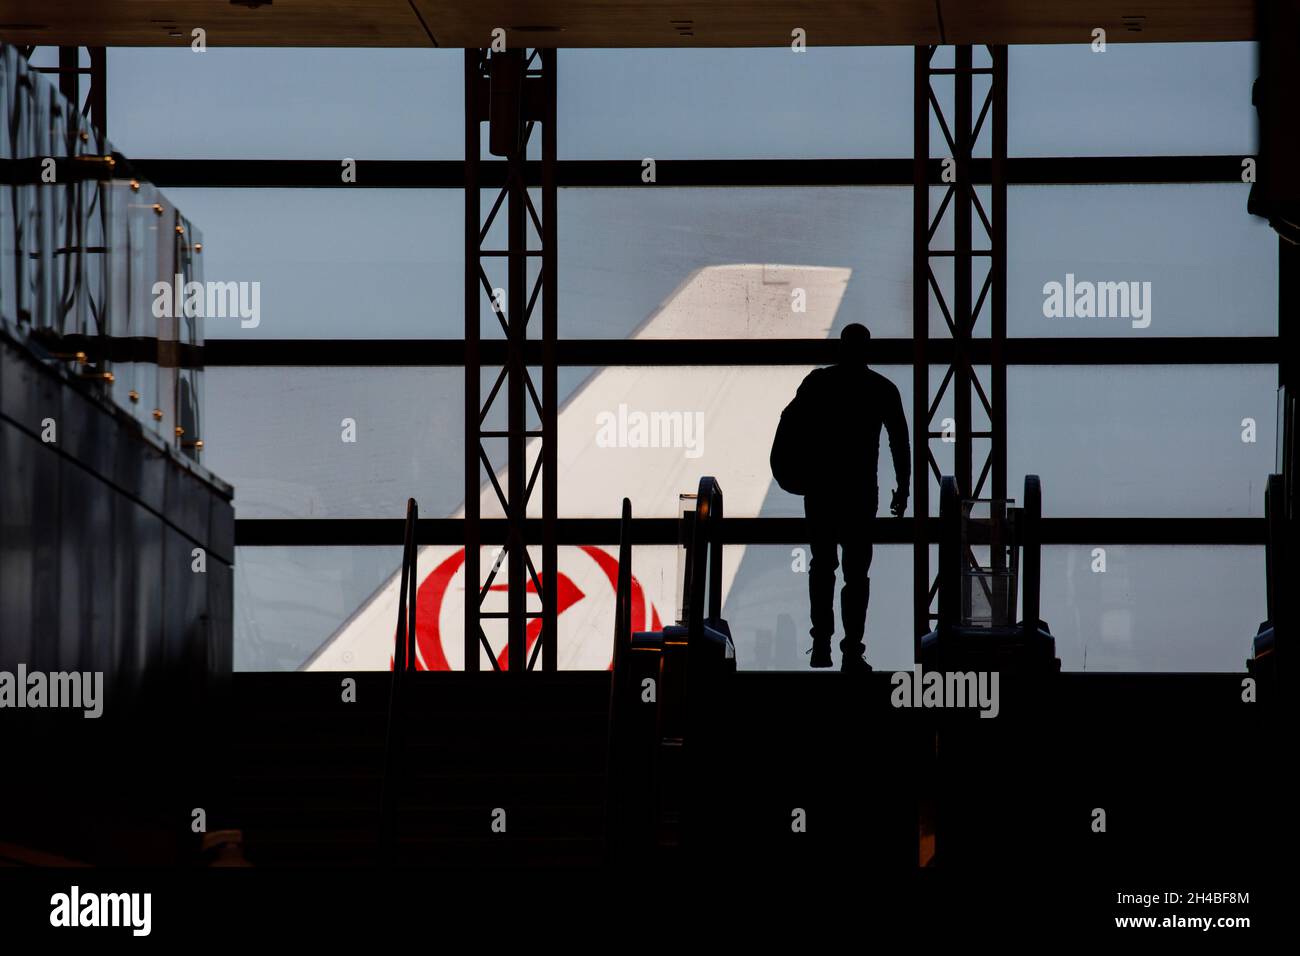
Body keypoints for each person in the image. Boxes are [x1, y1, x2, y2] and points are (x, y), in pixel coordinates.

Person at [788, 323, 910, 671]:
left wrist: (796, 473)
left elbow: (789, 428)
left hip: (821, 490)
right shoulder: (881, 389)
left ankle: (821, 643)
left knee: (822, 566)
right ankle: (852, 649)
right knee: (856, 575)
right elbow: (899, 442)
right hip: (859, 494)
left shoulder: (818, 383)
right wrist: (903, 488)